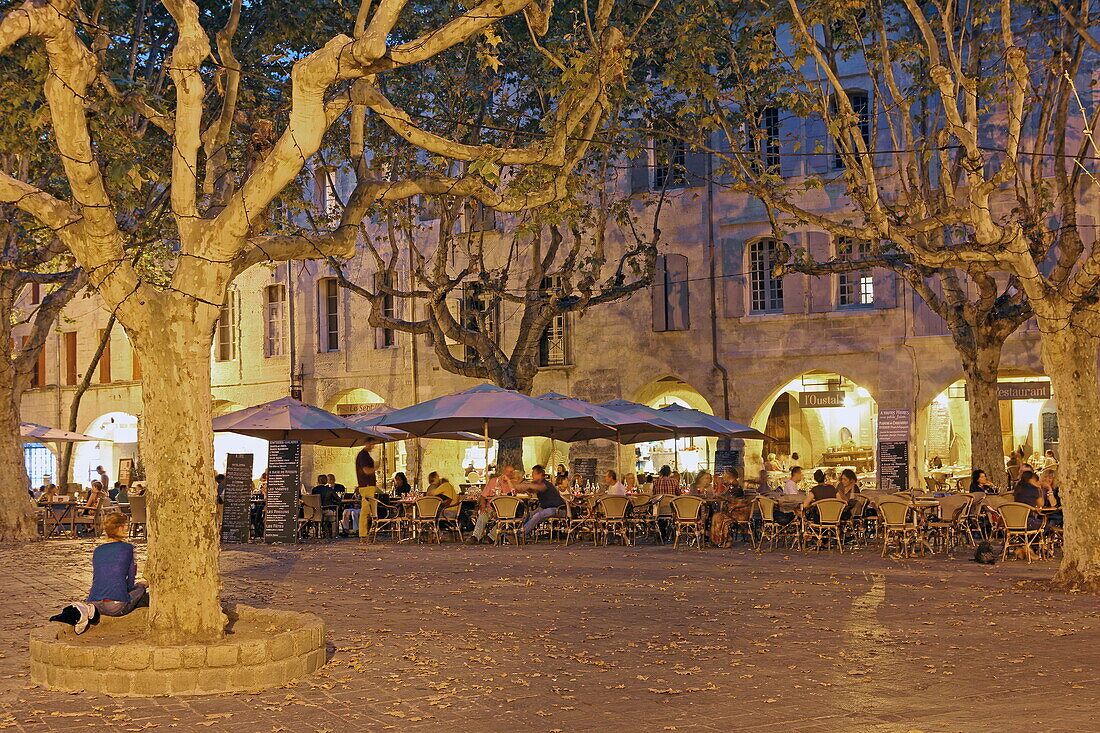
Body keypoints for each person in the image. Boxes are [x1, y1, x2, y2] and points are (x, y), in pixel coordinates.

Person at [54, 512, 149, 634]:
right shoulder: (128, 548)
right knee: (140, 588)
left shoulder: (98, 550)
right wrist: (141, 586)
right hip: (116, 605)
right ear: (120, 528)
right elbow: (130, 582)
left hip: (94, 603)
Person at [513, 465, 565, 540]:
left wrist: (527, 485)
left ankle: (521, 535)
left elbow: (538, 487)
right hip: (545, 508)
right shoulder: (537, 484)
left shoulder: (544, 484)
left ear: (540, 475)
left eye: (534, 474)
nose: (532, 476)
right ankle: (519, 532)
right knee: (530, 515)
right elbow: (531, 489)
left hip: (557, 509)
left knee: (537, 515)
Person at [468, 465, 516, 543]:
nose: (509, 474)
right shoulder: (494, 481)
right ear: (503, 471)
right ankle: (475, 536)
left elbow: (514, 494)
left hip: (505, 510)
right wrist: (483, 507)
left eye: (511, 472)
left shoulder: (513, 484)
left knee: (505, 519)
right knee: (483, 514)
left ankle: (490, 537)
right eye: (507, 471)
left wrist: (509, 481)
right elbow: (483, 496)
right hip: (490, 507)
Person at [709, 470, 751, 547]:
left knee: (717, 516)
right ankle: (719, 540)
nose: (723, 476)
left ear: (728, 475)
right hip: (733, 510)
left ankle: (724, 541)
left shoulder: (734, 486)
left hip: (737, 512)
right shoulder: (731, 485)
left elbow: (728, 497)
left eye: (724, 474)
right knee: (716, 515)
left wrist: (719, 491)